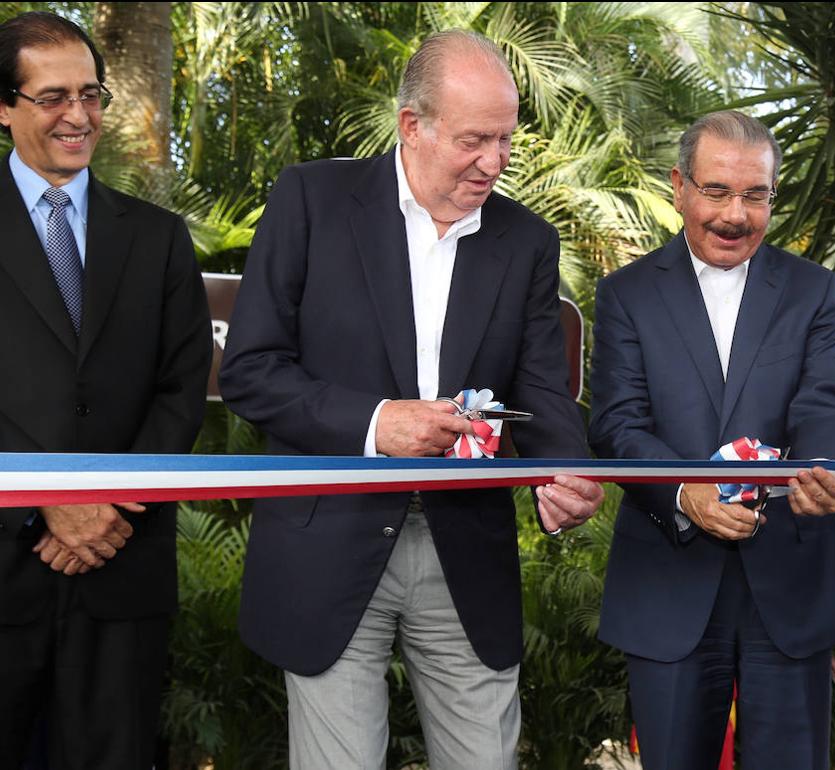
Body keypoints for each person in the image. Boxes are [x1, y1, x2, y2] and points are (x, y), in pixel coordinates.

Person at [218, 29, 603, 770]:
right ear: (411, 126)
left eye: (505, 139)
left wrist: (565, 471)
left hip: (466, 550)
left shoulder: (526, 240)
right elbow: (252, 370)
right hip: (329, 540)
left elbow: (540, 387)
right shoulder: (310, 201)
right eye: (473, 140)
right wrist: (375, 423)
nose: (494, 162)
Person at [589, 110, 835, 770]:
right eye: (716, 192)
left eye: (755, 195)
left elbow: (826, 400)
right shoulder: (625, 295)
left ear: (774, 193)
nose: (735, 215)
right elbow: (617, 424)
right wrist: (687, 492)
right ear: (679, 186)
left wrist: (824, 471)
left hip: (788, 589)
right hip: (667, 581)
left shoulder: (812, 289)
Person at [0, 11, 212, 770]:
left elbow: (182, 389)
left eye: (92, 95)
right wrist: (46, 499)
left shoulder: (157, 238)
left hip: (123, 573)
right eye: (53, 97)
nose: (78, 116)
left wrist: (108, 503)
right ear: (3, 105)